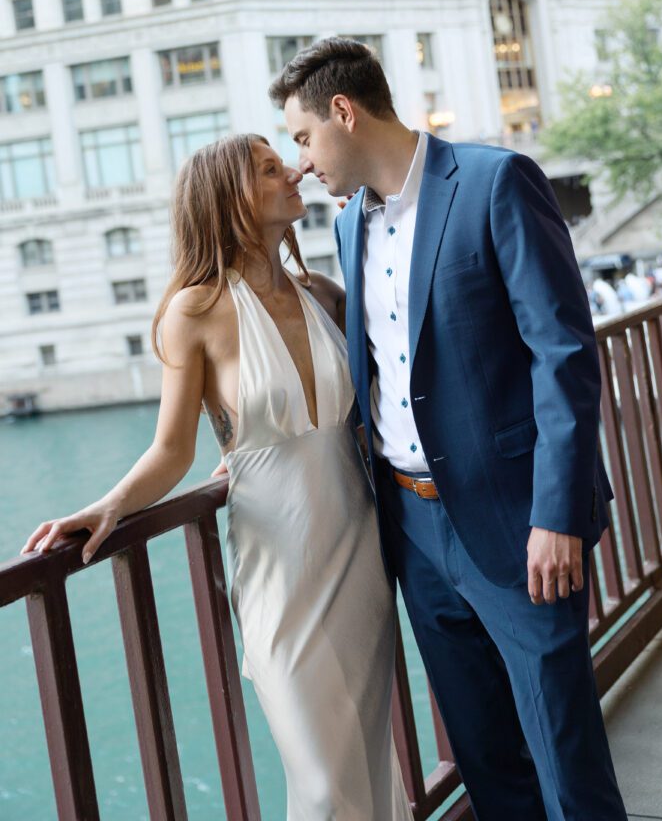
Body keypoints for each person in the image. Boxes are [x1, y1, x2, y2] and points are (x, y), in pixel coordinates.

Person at [268, 37, 628, 821]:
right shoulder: (349, 226)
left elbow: (562, 354)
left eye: (301, 137)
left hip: (518, 521)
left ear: (342, 111)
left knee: (563, 750)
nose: (299, 162)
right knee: (485, 757)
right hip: (413, 530)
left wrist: (555, 513)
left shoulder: (495, 183)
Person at [21, 134, 412, 821]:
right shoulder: (193, 312)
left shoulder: (324, 293)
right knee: (322, 786)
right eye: (269, 169)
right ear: (229, 199)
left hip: (360, 557)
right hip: (279, 574)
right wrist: (109, 505)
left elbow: (385, 402)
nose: (293, 169)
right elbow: (171, 451)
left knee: (366, 765)